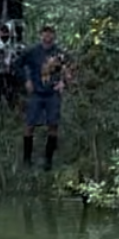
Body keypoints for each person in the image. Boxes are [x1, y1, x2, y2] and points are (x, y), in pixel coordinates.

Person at [19, 23, 70, 169]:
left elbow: (69, 69)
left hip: (52, 94)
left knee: (53, 126)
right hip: (36, 93)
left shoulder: (59, 53)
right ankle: (27, 160)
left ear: (54, 35)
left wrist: (63, 83)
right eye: (45, 33)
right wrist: (26, 80)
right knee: (29, 125)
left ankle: (48, 161)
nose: (48, 36)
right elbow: (18, 65)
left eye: (50, 33)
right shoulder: (32, 51)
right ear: (41, 35)